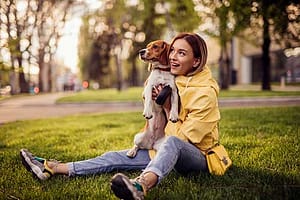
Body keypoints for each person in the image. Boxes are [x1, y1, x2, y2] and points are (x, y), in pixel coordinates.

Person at [20, 32, 220, 200]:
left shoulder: (205, 91)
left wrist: (167, 107)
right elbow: (148, 96)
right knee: (113, 157)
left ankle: (141, 186)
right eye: (173, 50)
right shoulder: (176, 77)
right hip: (162, 149)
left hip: (198, 157)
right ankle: (52, 168)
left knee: (172, 143)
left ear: (196, 61)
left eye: (181, 53)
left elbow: (186, 139)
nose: (173, 56)